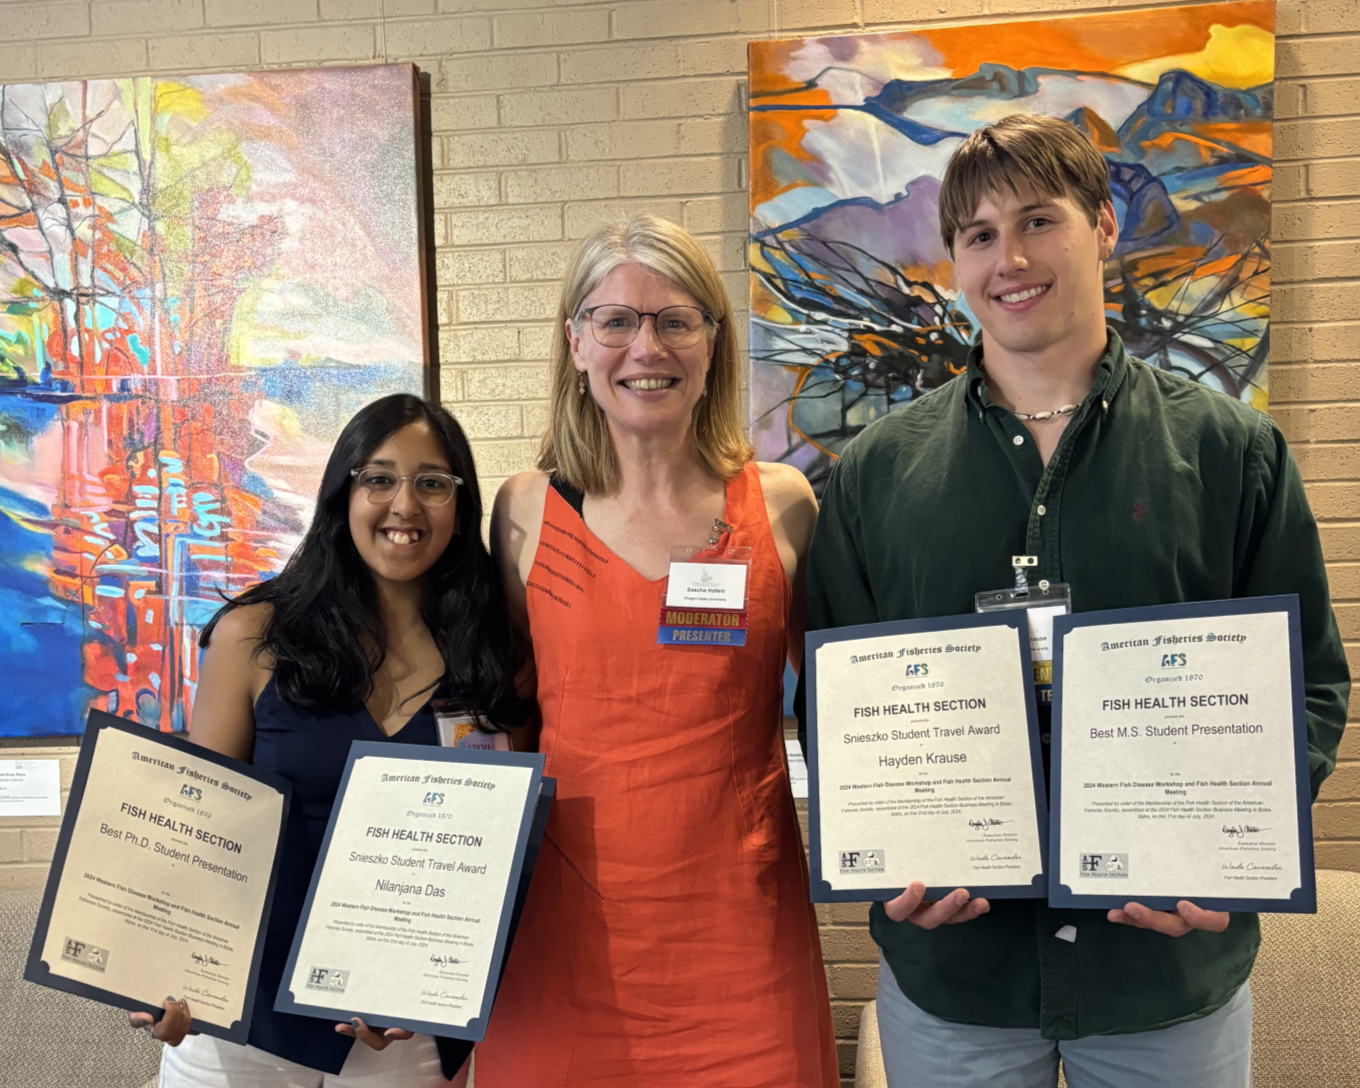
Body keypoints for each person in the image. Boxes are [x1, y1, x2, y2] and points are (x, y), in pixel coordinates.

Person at [799, 114, 1349, 1087]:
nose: (1008, 258)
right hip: (957, 980)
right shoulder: (877, 472)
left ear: (1102, 225)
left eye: (1037, 220)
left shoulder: (1230, 452)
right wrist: (887, 863)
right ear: (953, 260)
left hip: (1163, 978)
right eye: (976, 235)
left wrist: (1237, 849)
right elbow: (830, 696)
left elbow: (1306, 684)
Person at [477, 214, 837, 1085]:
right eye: (617, 321)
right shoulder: (525, 511)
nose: (648, 346)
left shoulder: (783, 505)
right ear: (575, 340)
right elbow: (496, 722)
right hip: (560, 946)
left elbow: (849, 714)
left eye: (677, 320)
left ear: (713, 343)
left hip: (741, 947)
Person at [131, 393, 529, 1087]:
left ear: (461, 507)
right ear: (343, 494)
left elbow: (495, 856)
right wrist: (159, 970)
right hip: (245, 1020)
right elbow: (199, 831)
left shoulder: (494, 652)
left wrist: (431, 985)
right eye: (378, 479)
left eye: (432, 483)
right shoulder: (255, 633)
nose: (404, 504)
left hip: (402, 1028)